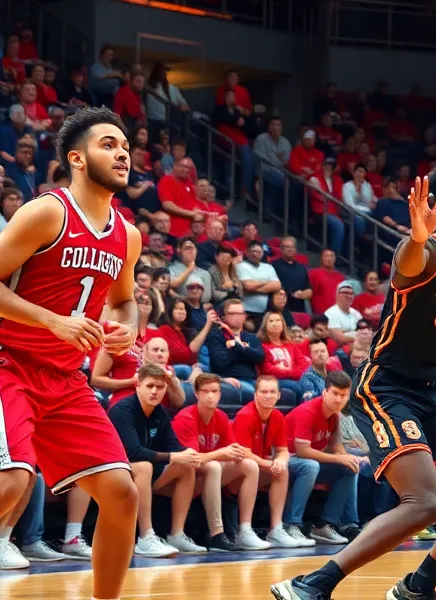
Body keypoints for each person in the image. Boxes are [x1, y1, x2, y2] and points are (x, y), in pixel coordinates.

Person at [274, 156, 436, 600]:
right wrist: (417, 234)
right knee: (424, 503)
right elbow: (408, 262)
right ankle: (310, 585)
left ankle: (417, 586)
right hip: (385, 386)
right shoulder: (425, 253)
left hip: (435, 389)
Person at [0, 107, 142, 599]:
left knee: (122, 493)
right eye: (108, 144)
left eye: (125, 146)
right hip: (8, 362)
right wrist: (50, 320)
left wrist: (124, 329)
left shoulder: (127, 234)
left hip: (64, 380)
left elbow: (124, 302)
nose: (122, 152)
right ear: (77, 159)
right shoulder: (47, 211)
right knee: (12, 481)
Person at [108, 364, 203, 557]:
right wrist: (176, 456)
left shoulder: (159, 411)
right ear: (138, 387)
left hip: (142, 474)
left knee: (185, 467)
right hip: (113, 473)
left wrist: (190, 454)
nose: (154, 391)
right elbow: (133, 452)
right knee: (144, 466)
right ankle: (145, 537)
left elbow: (174, 446)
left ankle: (176, 534)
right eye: (150, 386)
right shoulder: (122, 411)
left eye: (160, 387)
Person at [172, 372, 269, 550]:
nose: (210, 395)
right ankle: (217, 534)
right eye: (205, 391)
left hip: (206, 477)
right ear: (196, 394)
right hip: (181, 480)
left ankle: (245, 531)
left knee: (249, 465)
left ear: (220, 394)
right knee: (214, 466)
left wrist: (237, 452)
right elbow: (189, 460)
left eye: (215, 391)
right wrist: (222, 453)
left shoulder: (221, 417)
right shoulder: (186, 418)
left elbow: (231, 451)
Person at [233, 375, 312, 548]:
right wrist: (268, 463)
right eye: (264, 392)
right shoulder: (245, 415)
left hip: (257, 468)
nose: (268, 395)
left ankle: (276, 528)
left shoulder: (277, 416)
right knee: (254, 465)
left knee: (281, 469)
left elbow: (283, 450)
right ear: (255, 395)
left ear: (279, 395)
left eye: (272, 392)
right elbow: (243, 452)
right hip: (237, 470)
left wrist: (280, 461)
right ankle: (244, 530)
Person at [282, 371, 361, 545]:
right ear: (325, 392)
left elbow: (335, 444)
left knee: (350, 467)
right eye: (335, 394)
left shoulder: (334, 415)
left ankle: (327, 525)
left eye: (344, 395)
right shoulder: (308, 411)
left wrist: (347, 457)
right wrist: (339, 458)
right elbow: (303, 451)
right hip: (284, 460)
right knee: (311, 466)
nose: (339, 399)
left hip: (307, 463)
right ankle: (291, 524)